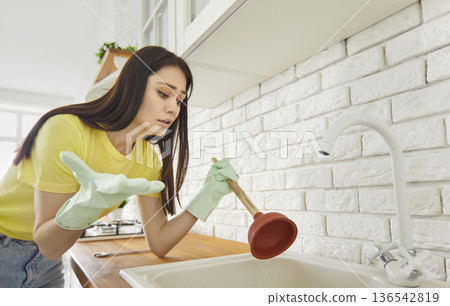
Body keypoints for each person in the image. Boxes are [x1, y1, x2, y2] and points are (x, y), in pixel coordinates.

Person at [0, 46, 238, 288]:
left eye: (180, 101)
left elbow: (159, 242)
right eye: (164, 94)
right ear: (132, 86)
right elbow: (48, 244)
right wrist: (85, 209)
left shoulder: (147, 159)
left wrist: (205, 199)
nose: (174, 109)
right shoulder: (66, 129)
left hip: (48, 262)